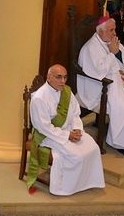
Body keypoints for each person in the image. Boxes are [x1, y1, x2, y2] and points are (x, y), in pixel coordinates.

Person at [77, 16, 124, 159]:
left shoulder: (112, 40)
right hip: (100, 86)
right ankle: (123, 145)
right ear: (100, 32)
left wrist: (117, 52)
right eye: (111, 30)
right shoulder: (90, 48)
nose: (114, 33)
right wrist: (112, 54)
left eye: (114, 29)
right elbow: (99, 71)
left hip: (120, 80)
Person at [27, 65, 105, 196]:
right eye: (58, 77)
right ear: (49, 77)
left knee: (93, 148)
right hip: (49, 135)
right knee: (76, 155)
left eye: (65, 77)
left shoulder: (67, 91)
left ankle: (86, 182)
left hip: (69, 130)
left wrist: (77, 129)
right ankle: (65, 187)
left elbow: (75, 113)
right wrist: (67, 135)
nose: (63, 81)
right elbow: (43, 127)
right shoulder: (39, 98)